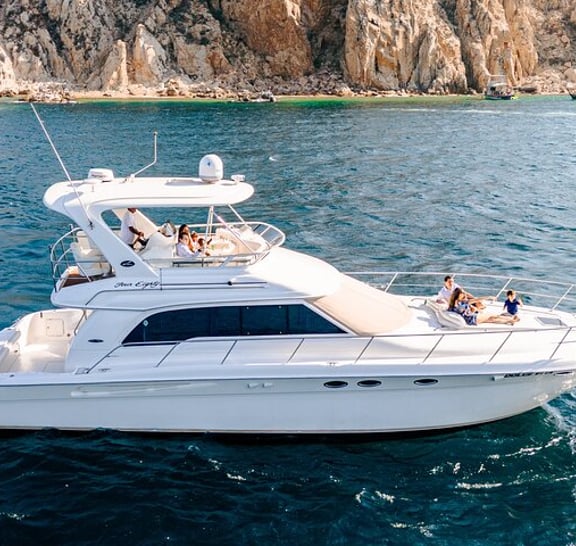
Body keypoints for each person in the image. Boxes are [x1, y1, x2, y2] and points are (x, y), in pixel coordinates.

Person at [449, 288, 514, 326]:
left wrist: (488, 297)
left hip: (471, 318)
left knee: (492, 319)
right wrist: (472, 310)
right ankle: (511, 319)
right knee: (491, 315)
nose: (464, 294)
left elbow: (476, 299)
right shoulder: (458, 304)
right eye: (462, 293)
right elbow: (461, 309)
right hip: (472, 319)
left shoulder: (461, 302)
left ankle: (509, 320)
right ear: (458, 295)